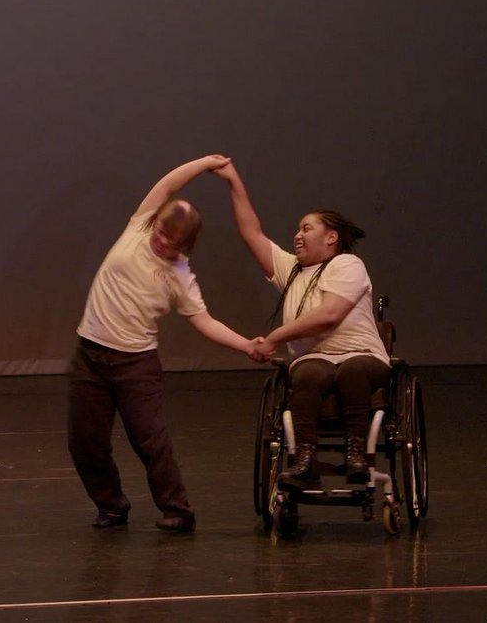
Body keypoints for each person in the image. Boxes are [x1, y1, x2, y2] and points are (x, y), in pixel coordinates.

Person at [68, 154, 260, 533]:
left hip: (135, 364)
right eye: (159, 232)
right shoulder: (139, 227)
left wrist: (247, 345)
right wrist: (205, 163)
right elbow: (169, 184)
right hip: (89, 354)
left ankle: (178, 510)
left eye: (169, 241)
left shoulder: (180, 276)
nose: (159, 242)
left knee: (151, 441)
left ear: (184, 246)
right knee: (85, 444)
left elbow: (205, 322)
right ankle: (111, 505)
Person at [214, 162, 391, 491]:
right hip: (317, 359)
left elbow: (329, 315)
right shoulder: (292, 270)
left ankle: (357, 457)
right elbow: (251, 232)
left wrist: (276, 336)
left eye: (307, 228)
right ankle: (305, 459)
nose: (297, 235)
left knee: (352, 370)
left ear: (331, 237)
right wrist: (233, 181)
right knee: (306, 373)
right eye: (297, 228)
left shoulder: (346, 264)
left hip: (362, 355)